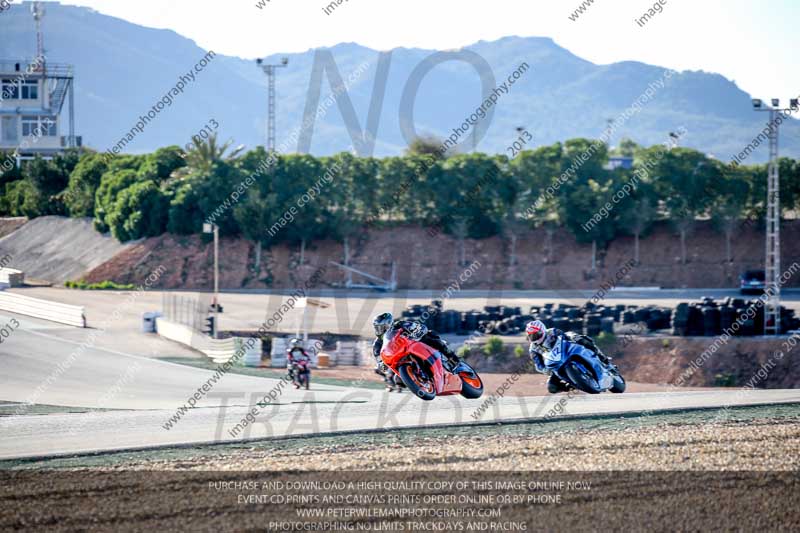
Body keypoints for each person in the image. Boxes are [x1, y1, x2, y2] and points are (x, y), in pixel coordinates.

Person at [526, 320, 610, 394]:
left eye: (536, 334)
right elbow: (538, 365)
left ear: (542, 331)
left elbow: (564, 336)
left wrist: (571, 340)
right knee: (551, 387)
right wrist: (547, 370)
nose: (534, 338)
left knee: (580, 339)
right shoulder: (533, 349)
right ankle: (574, 385)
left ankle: (601, 356)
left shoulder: (552, 332)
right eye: (531, 336)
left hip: (566, 351)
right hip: (555, 363)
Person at [371, 312, 461, 372]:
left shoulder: (400, 324)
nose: (380, 330)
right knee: (395, 378)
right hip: (399, 358)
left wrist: (418, 332)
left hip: (414, 345)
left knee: (432, 337)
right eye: (377, 327)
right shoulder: (377, 344)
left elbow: (419, 327)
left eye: (383, 327)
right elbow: (378, 358)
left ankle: (453, 359)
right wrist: (381, 365)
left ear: (389, 324)